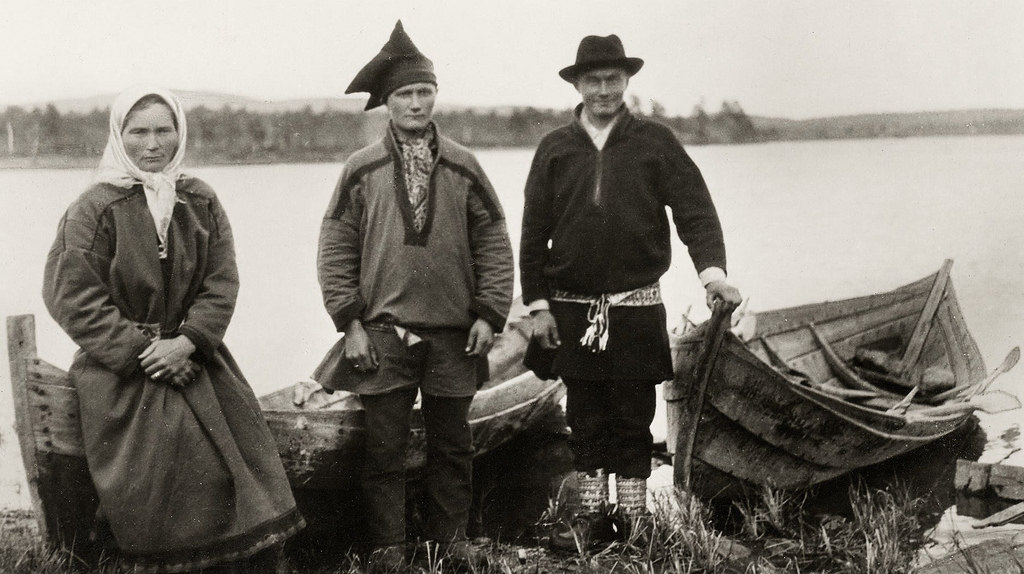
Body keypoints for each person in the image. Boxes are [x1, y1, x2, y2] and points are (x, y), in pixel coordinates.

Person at [42, 86, 304, 572]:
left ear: (180, 133)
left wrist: (188, 342)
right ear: (119, 137)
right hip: (120, 369)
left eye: (164, 130)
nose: (152, 143)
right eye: (138, 131)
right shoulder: (94, 209)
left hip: (195, 356)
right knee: (167, 455)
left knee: (244, 453)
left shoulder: (199, 199)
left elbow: (221, 282)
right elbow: (72, 298)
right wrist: (145, 352)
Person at [519, 34, 743, 549]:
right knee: (585, 413)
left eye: (613, 79)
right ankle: (593, 519)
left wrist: (713, 275)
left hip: (636, 307)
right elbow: (532, 235)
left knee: (633, 412)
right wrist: (537, 306)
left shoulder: (655, 142)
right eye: (593, 80)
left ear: (627, 82)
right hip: (572, 310)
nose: (604, 89)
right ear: (577, 84)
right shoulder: (554, 148)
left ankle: (636, 520)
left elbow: (696, 212)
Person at [316, 21, 514, 571]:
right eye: (405, 93)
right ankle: (388, 552)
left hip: (456, 335)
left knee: (453, 447)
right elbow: (335, 249)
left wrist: (491, 313)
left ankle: (452, 546)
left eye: (424, 91)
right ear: (387, 102)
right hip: (381, 336)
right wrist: (349, 321)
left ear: (435, 96)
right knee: (383, 452)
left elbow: (494, 241)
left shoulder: (464, 165)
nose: (416, 103)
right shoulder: (361, 169)